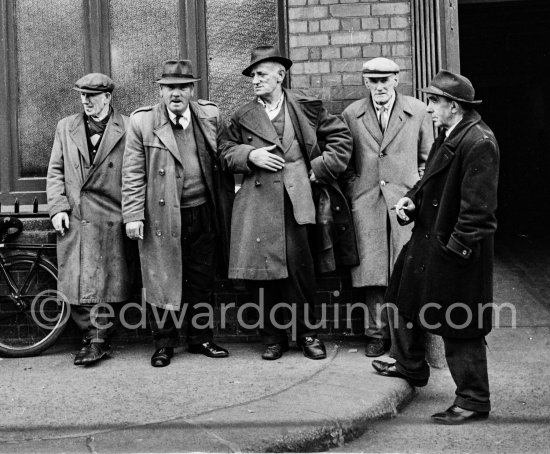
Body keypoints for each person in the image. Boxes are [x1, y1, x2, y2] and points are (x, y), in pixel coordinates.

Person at [372, 70, 499, 424]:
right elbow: (431, 183)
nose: (429, 108)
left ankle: (473, 398)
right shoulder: (453, 134)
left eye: (435, 102)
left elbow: (479, 213)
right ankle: (410, 365)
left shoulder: (479, 142)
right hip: (430, 240)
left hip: (455, 252)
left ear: (454, 107)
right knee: (401, 297)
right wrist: (412, 201)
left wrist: (453, 251)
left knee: (461, 326)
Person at [220, 45, 353, 360]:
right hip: (258, 203)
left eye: (262, 74)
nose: (255, 80)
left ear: (281, 75)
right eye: (253, 75)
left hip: (297, 202)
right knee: (264, 277)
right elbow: (224, 151)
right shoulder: (242, 115)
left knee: (301, 273)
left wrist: (319, 168)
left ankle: (308, 335)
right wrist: (250, 155)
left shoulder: (306, 108)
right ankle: (273, 338)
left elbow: (342, 139)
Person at [122, 60, 232, 367]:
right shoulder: (142, 122)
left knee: (201, 280)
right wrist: (133, 216)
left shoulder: (209, 115)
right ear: (160, 90)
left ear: (192, 90)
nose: (176, 94)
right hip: (162, 215)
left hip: (202, 212)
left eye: (183, 87)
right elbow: (132, 173)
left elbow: (225, 154)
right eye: (170, 87)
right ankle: (164, 344)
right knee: (161, 278)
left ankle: (201, 339)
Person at [342, 57, 433, 357]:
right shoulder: (352, 114)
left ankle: (405, 337)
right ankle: (377, 333)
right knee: (372, 271)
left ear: (396, 80)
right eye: (373, 81)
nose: (379, 86)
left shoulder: (418, 111)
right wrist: (356, 187)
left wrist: (417, 193)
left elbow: (427, 160)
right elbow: (346, 160)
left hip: (405, 203)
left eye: (385, 80)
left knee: (404, 268)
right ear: (365, 82)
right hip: (366, 200)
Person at [47, 73, 134, 366]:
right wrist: (58, 207)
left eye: (92, 96)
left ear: (107, 97)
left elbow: (136, 174)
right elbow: (56, 171)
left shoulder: (128, 127)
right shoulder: (66, 127)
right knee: (81, 279)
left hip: (111, 215)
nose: (86, 101)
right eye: (82, 96)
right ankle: (93, 337)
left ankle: (98, 339)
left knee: (104, 280)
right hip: (76, 215)